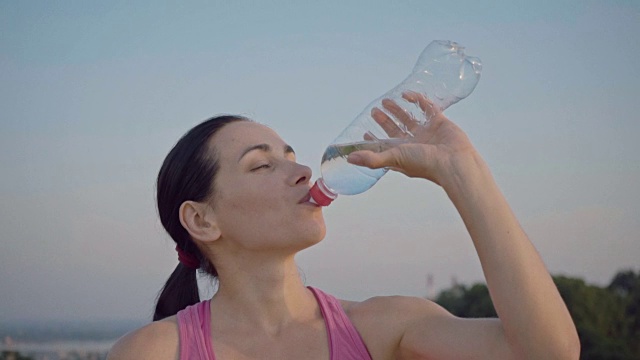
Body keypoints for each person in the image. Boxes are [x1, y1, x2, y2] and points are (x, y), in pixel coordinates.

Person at [107, 93, 580, 359]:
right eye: (261, 166)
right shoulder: (152, 353)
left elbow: (547, 353)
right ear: (201, 220)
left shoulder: (385, 328)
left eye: (291, 157)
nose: (303, 172)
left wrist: (462, 171)